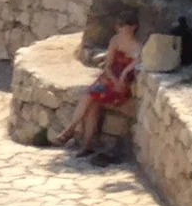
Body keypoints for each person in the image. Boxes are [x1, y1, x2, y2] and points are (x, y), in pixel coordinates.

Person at [55, 16, 142, 154]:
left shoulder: (138, 47)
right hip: (109, 78)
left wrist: (121, 78)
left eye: (123, 25)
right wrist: (113, 79)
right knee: (92, 101)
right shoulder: (115, 40)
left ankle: (72, 131)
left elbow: (130, 69)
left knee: (91, 97)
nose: (120, 28)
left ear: (132, 27)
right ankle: (85, 142)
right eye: (119, 25)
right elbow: (107, 65)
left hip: (122, 85)